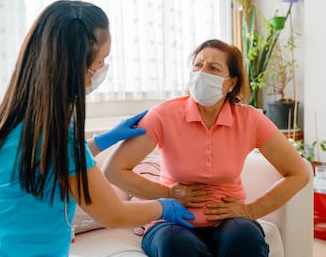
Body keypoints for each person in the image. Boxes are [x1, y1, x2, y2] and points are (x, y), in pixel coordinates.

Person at [0, 0, 194, 257]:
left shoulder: (7, 122)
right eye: (100, 61)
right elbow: (114, 214)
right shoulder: (61, 141)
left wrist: (103, 141)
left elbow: (50, 165)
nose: (100, 71)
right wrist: (165, 206)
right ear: (73, 68)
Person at [102, 39, 310, 257]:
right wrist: (168, 193)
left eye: (213, 68)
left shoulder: (250, 120)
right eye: (197, 65)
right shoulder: (164, 114)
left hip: (228, 221)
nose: (202, 72)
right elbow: (114, 170)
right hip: (171, 222)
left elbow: (299, 173)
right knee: (176, 244)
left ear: (231, 83)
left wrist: (251, 210)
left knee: (244, 237)